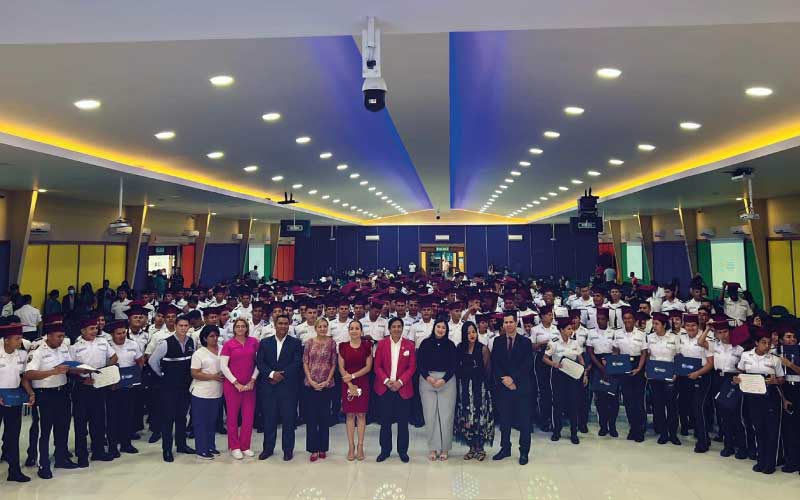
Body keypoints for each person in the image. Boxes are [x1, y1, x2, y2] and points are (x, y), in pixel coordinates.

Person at [23, 323, 77, 479]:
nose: (62, 339)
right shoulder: (38, 349)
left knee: (63, 426)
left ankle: (61, 458)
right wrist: (53, 372)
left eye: (63, 336)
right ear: (49, 336)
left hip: (62, 392)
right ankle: (43, 464)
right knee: (43, 430)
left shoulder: (63, 347)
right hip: (44, 395)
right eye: (58, 336)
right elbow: (29, 373)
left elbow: (69, 366)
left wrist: (80, 369)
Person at [70, 316, 118, 465]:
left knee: (98, 420)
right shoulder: (75, 347)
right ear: (83, 330)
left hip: (99, 385)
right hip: (82, 387)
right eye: (91, 329)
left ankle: (98, 451)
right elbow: (70, 368)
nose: (94, 331)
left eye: (96, 328)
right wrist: (82, 377)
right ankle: (82, 454)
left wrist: (106, 371)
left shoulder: (103, 342)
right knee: (80, 422)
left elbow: (114, 357)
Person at [736, 331, 785, 474]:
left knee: (771, 430)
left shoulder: (774, 359)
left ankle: (771, 462)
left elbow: (782, 378)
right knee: (758, 429)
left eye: (769, 343)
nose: (767, 345)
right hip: (752, 396)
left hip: (770, 396)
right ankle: (761, 460)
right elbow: (739, 372)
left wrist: (776, 381)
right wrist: (737, 379)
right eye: (764, 342)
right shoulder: (746, 355)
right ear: (756, 343)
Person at [149, 316, 196, 462]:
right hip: (168, 387)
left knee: (182, 416)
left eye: (186, 325)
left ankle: (181, 444)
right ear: (175, 326)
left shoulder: (191, 342)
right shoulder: (165, 343)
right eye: (180, 325)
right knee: (168, 418)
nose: (183, 328)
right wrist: (162, 375)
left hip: (184, 386)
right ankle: (167, 450)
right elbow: (152, 361)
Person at [256, 314, 302, 461]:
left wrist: (281, 375)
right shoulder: (264, 342)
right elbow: (260, 363)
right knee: (269, 419)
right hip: (269, 386)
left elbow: (296, 363)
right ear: (274, 325)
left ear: (289, 325)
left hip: (288, 387)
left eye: (285, 323)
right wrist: (271, 374)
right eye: (280, 323)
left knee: (289, 420)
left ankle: (288, 450)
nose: (283, 326)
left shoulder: (295, 343)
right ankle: (268, 449)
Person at [701, 316, 747, 459]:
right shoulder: (716, 345)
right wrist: (708, 327)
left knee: (736, 415)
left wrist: (739, 377)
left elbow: (744, 368)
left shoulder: (739, 348)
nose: (723, 335)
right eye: (719, 333)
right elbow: (700, 341)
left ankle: (742, 447)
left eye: (725, 332)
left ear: (730, 332)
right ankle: (728, 446)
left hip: (732, 380)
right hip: (717, 379)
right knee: (722, 415)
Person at [491, 311, 533, 465]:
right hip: (504, 387)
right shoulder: (498, 341)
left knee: (524, 421)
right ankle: (505, 448)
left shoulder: (525, 342)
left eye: (511, 322)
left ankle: (524, 452)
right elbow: (495, 363)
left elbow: (527, 365)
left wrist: (513, 379)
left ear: (516, 323)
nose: (508, 325)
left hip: (522, 387)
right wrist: (505, 380)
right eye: (505, 322)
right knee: (505, 420)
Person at [374, 317, 416, 463]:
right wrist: (386, 381)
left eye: (399, 326)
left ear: (402, 328)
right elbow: (377, 366)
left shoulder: (409, 345)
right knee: (385, 422)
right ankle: (385, 450)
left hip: (402, 389)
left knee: (403, 422)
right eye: (394, 326)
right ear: (389, 329)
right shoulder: (381, 344)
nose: (397, 329)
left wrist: (400, 382)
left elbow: (412, 367)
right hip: (384, 388)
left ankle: (402, 451)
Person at [417, 319, 458, 461]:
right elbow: (419, 363)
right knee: (430, 416)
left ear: (446, 331)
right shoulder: (425, 343)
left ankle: (445, 448)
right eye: (438, 327)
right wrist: (427, 377)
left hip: (446, 381)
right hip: (427, 381)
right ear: (434, 328)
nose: (440, 329)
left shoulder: (451, 345)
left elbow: (454, 365)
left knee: (446, 416)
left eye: (443, 328)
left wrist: (443, 379)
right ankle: (433, 448)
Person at [219, 318, 259, 459]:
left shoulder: (254, 342)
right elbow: (223, 366)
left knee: (248, 417)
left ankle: (245, 446)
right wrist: (236, 383)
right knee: (232, 417)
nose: (241, 329)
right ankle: (234, 446)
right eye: (238, 326)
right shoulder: (228, 345)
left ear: (247, 328)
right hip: (232, 386)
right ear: (234, 329)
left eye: (243, 326)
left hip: (249, 385)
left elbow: (258, 363)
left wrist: (253, 380)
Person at [544, 317, 587, 444]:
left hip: (573, 374)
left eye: (572, 329)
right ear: (561, 330)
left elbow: (580, 358)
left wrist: (584, 373)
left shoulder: (574, 343)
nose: (571, 331)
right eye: (568, 329)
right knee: (558, 403)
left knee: (573, 403)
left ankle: (574, 433)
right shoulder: (554, 342)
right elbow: (544, 358)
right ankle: (557, 431)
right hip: (558, 374)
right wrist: (554, 364)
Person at [455, 321, 494, 461]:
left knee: (480, 417)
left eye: (473, 332)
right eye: (468, 332)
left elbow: (487, 371)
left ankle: (480, 447)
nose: (471, 335)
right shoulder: (460, 348)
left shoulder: (483, 349)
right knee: (467, 418)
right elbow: (457, 368)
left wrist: (485, 389)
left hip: (480, 389)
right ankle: (471, 447)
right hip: (464, 388)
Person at [0, 323, 34, 482]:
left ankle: (14, 471)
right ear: (6, 340)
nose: (20, 342)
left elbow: (23, 378)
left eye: (21, 338)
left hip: (13, 399)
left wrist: (30, 392)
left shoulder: (21, 355)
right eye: (17, 338)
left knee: (13, 435)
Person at [676, 314, 714, 452]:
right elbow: (680, 357)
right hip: (686, 377)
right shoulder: (682, 339)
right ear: (684, 327)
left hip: (702, 377)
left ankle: (703, 442)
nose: (690, 328)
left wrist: (697, 373)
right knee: (691, 408)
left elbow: (711, 363)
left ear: (698, 326)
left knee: (700, 409)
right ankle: (701, 434)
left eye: (693, 325)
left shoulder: (705, 339)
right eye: (688, 325)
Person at [302, 318, 337, 462]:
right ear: (315, 328)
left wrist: (327, 380)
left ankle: (323, 447)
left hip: (326, 385)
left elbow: (333, 363)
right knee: (311, 418)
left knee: (324, 417)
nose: (323, 329)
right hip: (311, 385)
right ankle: (313, 449)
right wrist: (310, 380)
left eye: (325, 326)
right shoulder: (309, 342)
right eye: (320, 326)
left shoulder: (331, 343)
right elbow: (305, 362)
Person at [106, 320, 143, 456]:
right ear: (112, 335)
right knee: (113, 417)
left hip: (129, 385)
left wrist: (135, 376)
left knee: (127, 415)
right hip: (113, 386)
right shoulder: (108, 346)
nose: (122, 336)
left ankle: (126, 443)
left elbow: (140, 361)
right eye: (118, 334)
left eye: (124, 333)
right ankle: (112, 446)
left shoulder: (133, 344)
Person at [338, 320, 372, 461]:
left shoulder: (367, 346)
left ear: (361, 331)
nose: (354, 331)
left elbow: (368, 367)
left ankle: (360, 446)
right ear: (348, 331)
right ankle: (351, 446)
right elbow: (341, 367)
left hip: (362, 382)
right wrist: (350, 383)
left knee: (361, 415)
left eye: (357, 328)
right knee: (350, 415)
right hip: (347, 383)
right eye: (351, 328)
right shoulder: (343, 346)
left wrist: (352, 377)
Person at [613, 307, 648, 442]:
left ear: (634, 320)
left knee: (638, 400)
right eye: (625, 318)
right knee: (627, 400)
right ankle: (632, 428)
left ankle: (639, 429)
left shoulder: (641, 334)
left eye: (630, 318)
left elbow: (644, 353)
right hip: (624, 365)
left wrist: (639, 369)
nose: (627, 320)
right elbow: (616, 350)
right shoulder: (618, 333)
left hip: (638, 365)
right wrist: (614, 364)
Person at [646, 312, 681, 445]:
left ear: (664, 325)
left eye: (657, 324)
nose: (654, 326)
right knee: (658, 405)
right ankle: (663, 433)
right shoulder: (650, 337)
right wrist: (647, 370)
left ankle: (673, 433)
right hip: (655, 376)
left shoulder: (674, 338)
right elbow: (648, 355)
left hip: (670, 375)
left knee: (671, 405)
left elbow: (678, 356)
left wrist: (676, 373)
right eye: (653, 323)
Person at [190, 325, 224, 460]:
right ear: (204, 338)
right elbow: (194, 373)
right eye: (211, 336)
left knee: (212, 421)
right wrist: (213, 377)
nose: (214, 338)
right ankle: (201, 449)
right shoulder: (199, 353)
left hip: (217, 392)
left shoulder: (222, 349)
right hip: (201, 392)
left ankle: (210, 445)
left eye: (216, 336)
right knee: (201, 422)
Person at [586, 308, 619, 437]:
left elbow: (616, 349)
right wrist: (600, 366)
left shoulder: (614, 332)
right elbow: (590, 351)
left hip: (611, 363)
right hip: (597, 364)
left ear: (607, 320)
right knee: (600, 398)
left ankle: (612, 425)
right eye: (598, 319)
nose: (600, 321)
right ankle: (603, 426)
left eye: (603, 319)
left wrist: (609, 363)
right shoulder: (592, 332)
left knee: (613, 397)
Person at [778, 323, 800, 473]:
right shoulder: (776, 353)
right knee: (789, 429)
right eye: (788, 337)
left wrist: (790, 364)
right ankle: (792, 461)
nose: (791, 340)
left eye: (794, 337)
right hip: (786, 389)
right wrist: (783, 398)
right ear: (781, 339)